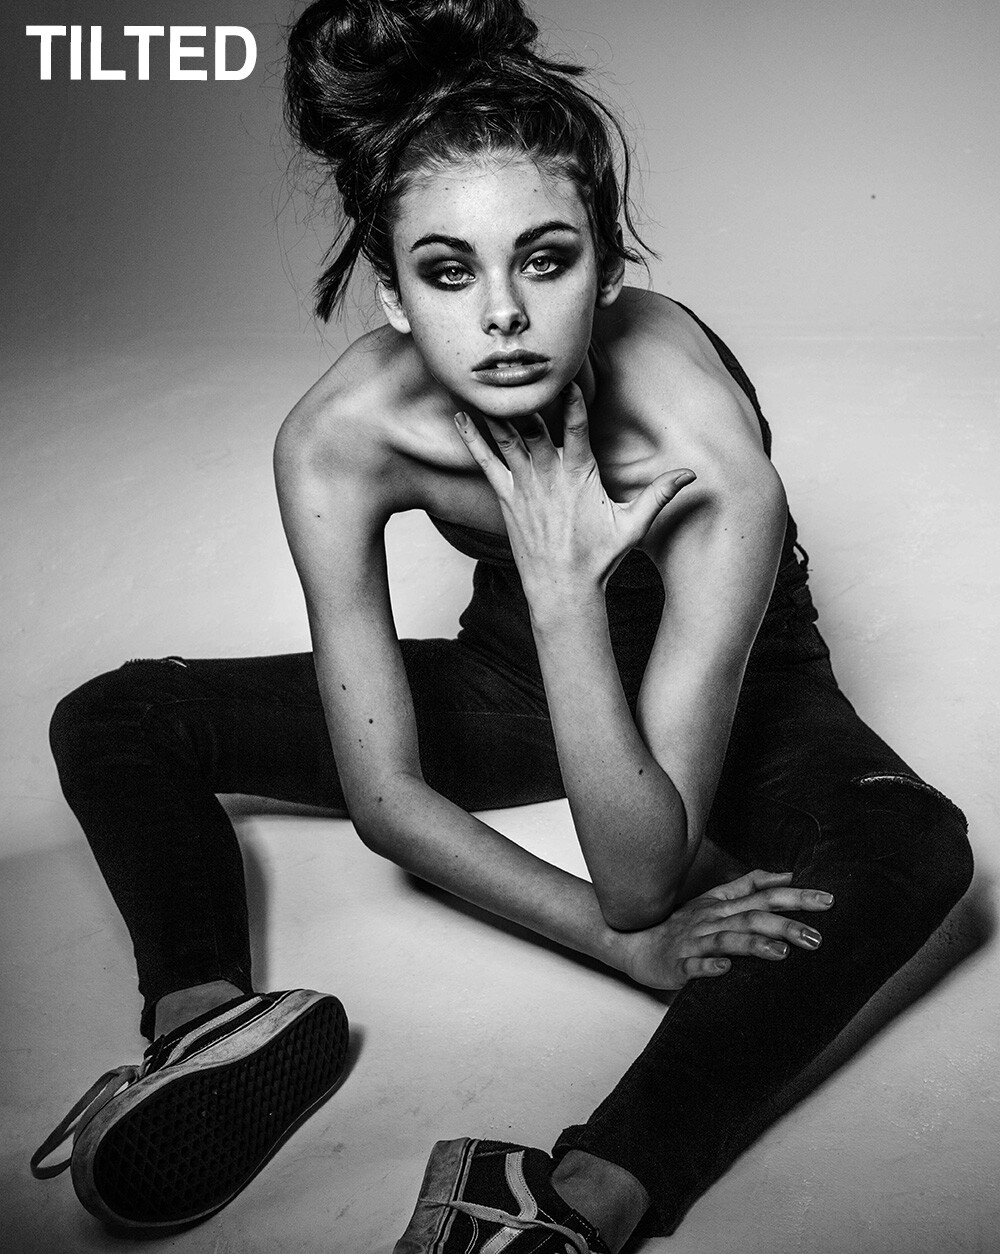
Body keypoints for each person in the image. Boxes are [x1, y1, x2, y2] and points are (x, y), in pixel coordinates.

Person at [31, 0, 973, 1249]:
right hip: (512, 682)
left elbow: (639, 878)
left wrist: (567, 584)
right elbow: (389, 797)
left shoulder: (696, 444)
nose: (503, 315)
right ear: (391, 291)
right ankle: (202, 1026)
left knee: (912, 845)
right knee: (120, 714)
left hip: (747, 697)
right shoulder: (338, 440)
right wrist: (623, 950)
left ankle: (569, 1197)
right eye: (448, 270)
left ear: (609, 266)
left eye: (544, 259)